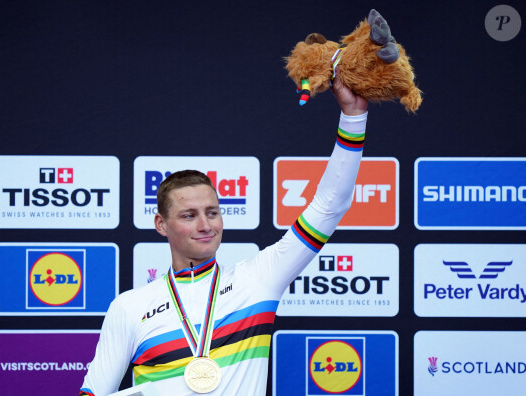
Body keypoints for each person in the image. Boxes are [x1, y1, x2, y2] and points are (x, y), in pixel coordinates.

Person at [79, 76, 368, 396]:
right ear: (161, 225)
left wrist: (353, 119)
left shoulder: (258, 280)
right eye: (189, 216)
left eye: (212, 212)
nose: (206, 225)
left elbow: (330, 205)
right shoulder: (130, 307)